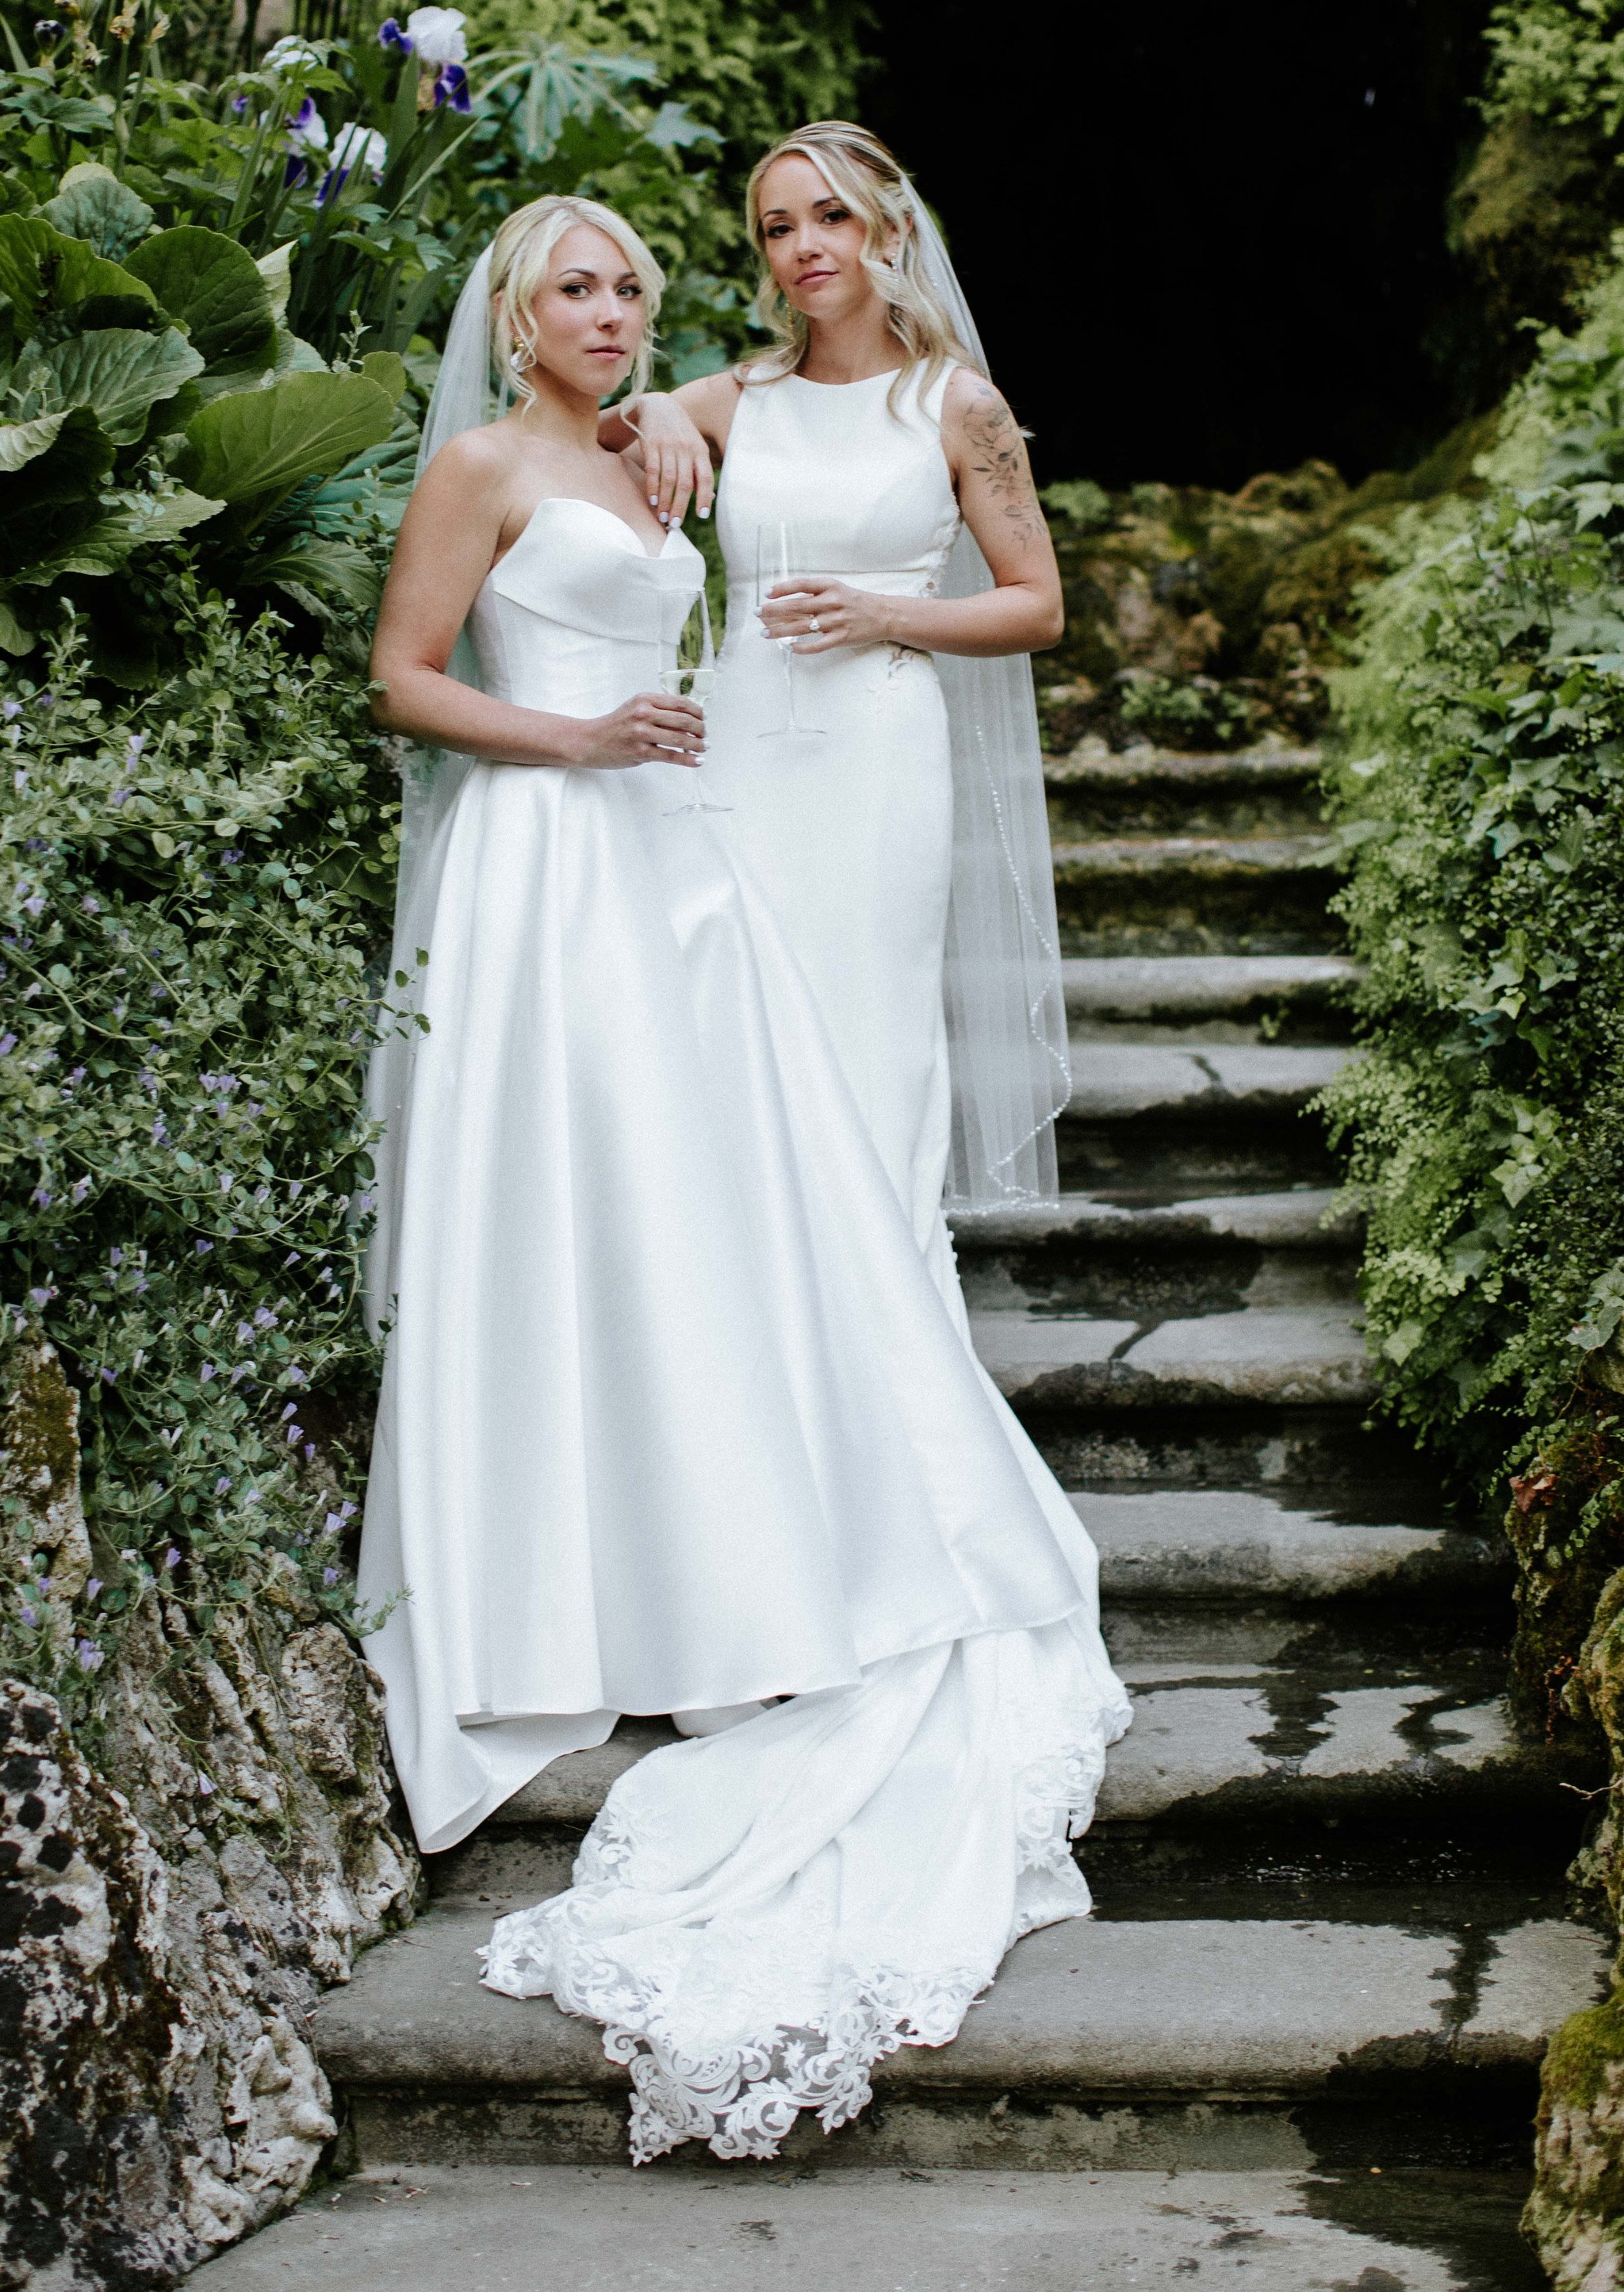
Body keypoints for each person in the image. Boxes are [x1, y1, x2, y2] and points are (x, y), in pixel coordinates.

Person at [361, 191, 1128, 2165]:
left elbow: (1029, 592)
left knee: (786, 1157)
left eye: (629, 282)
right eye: (578, 284)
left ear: (883, 234)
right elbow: (411, 668)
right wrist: (588, 694)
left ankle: (811, 1459)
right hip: (587, 841)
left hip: (732, 808)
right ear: (517, 311)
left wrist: (815, 576)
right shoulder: (595, 434)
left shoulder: (890, 408)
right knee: (615, 1199)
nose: (614, 309)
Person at [606, 119, 1071, 1246]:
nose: (805, 244)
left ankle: (885, 1298)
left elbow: (1039, 605)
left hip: (878, 746)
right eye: (778, 226)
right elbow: (605, 435)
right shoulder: (742, 396)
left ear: (889, 228)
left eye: (831, 215)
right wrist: (662, 406)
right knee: (736, 1012)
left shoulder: (959, 406)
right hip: (742, 740)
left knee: (867, 1022)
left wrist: (885, 612)